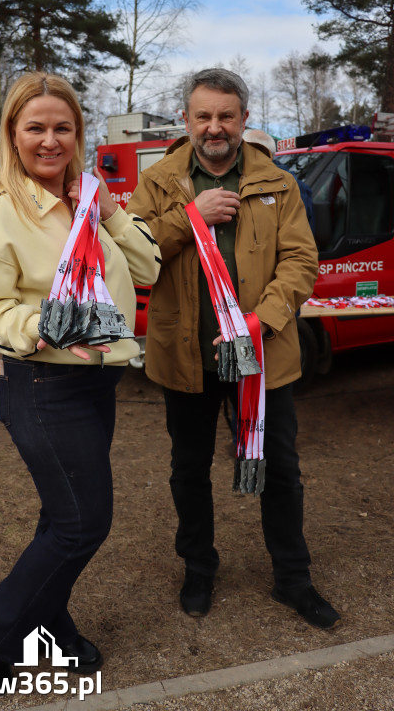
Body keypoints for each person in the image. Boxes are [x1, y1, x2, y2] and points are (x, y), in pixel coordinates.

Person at [0, 72, 161, 682]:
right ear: (12, 135)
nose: (50, 140)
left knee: (60, 515)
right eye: (35, 127)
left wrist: (111, 209)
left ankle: (47, 624)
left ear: (78, 134)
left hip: (97, 382)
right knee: (81, 522)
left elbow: (147, 265)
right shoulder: (0, 213)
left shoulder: (92, 203)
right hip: (42, 384)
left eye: (62, 128)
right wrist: (46, 323)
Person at [126, 68, 340, 629]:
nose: (214, 127)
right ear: (187, 120)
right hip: (186, 357)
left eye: (226, 116)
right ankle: (199, 570)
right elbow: (135, 255)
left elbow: (301, 261)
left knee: (279, 470)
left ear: (245, 119)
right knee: (188, 470)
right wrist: (190, 217)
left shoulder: (280, 183)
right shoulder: (160, 183)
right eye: (204, 116)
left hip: (261, 358)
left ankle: (293, 579)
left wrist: (261, 320)